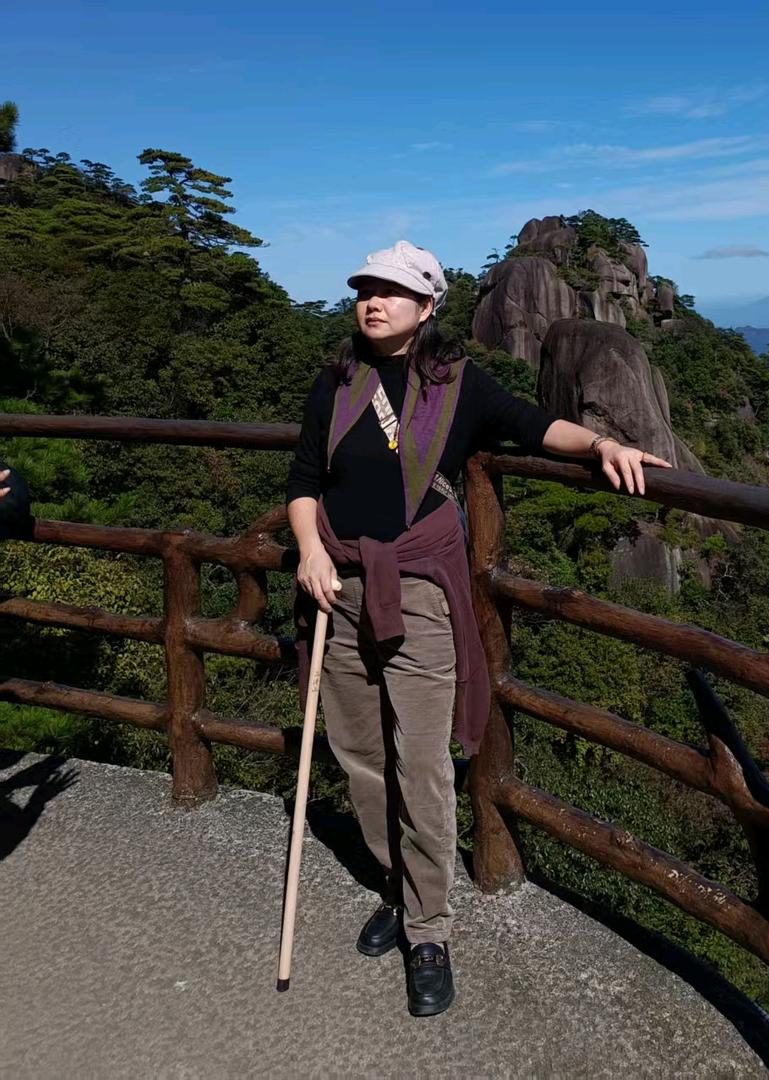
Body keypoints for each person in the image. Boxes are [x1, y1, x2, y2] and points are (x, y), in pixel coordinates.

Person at [285, 241, 671, 1018]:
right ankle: (396, 887)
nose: (373, 301)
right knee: (358, 753)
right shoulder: (336, 383)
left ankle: (428, 928)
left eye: (392, 291)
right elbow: (302, 481)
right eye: (365, 288)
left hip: (419, 591)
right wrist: (307, 552)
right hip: (341, 586)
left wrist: (602, 443)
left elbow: (536, 425)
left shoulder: (459, 387)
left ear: (427, 308)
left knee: (419, 760)